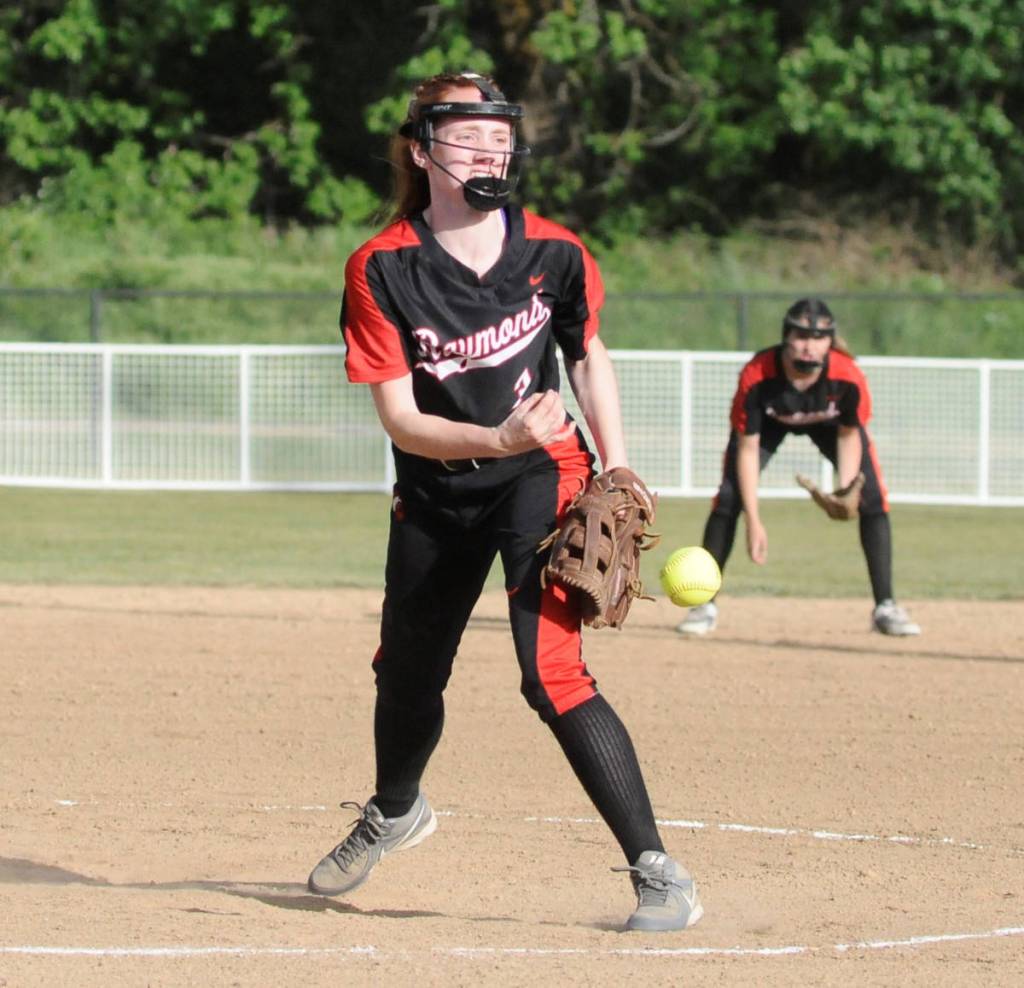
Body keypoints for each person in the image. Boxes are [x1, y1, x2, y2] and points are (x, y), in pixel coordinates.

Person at [307, 71, 702, 932]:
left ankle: (659, 874)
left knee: (550, 673)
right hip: (439, 489)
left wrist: (621, 462)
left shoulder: (555, 251)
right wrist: (495, 439)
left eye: (501, 134)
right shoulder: (382, 268)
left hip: (544, 477)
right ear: (421, 149)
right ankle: (396, 808)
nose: (492, 148)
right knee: (407, 673)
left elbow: (587, 352)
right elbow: (405, 422)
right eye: (467, 134)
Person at [677, 298, 921, 638]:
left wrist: (848, 489)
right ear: (786, 337)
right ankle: (704, 604)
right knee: (729, 499)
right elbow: (748, 450)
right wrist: (755, 521)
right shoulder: (758, 375)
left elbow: (850, 435)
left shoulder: (847, 376)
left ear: (830, 342)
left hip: (830, 425)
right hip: (771, 422)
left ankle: (886, 606)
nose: (809, 345)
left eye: (819, 337)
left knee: (873, 498)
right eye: (801, 335)